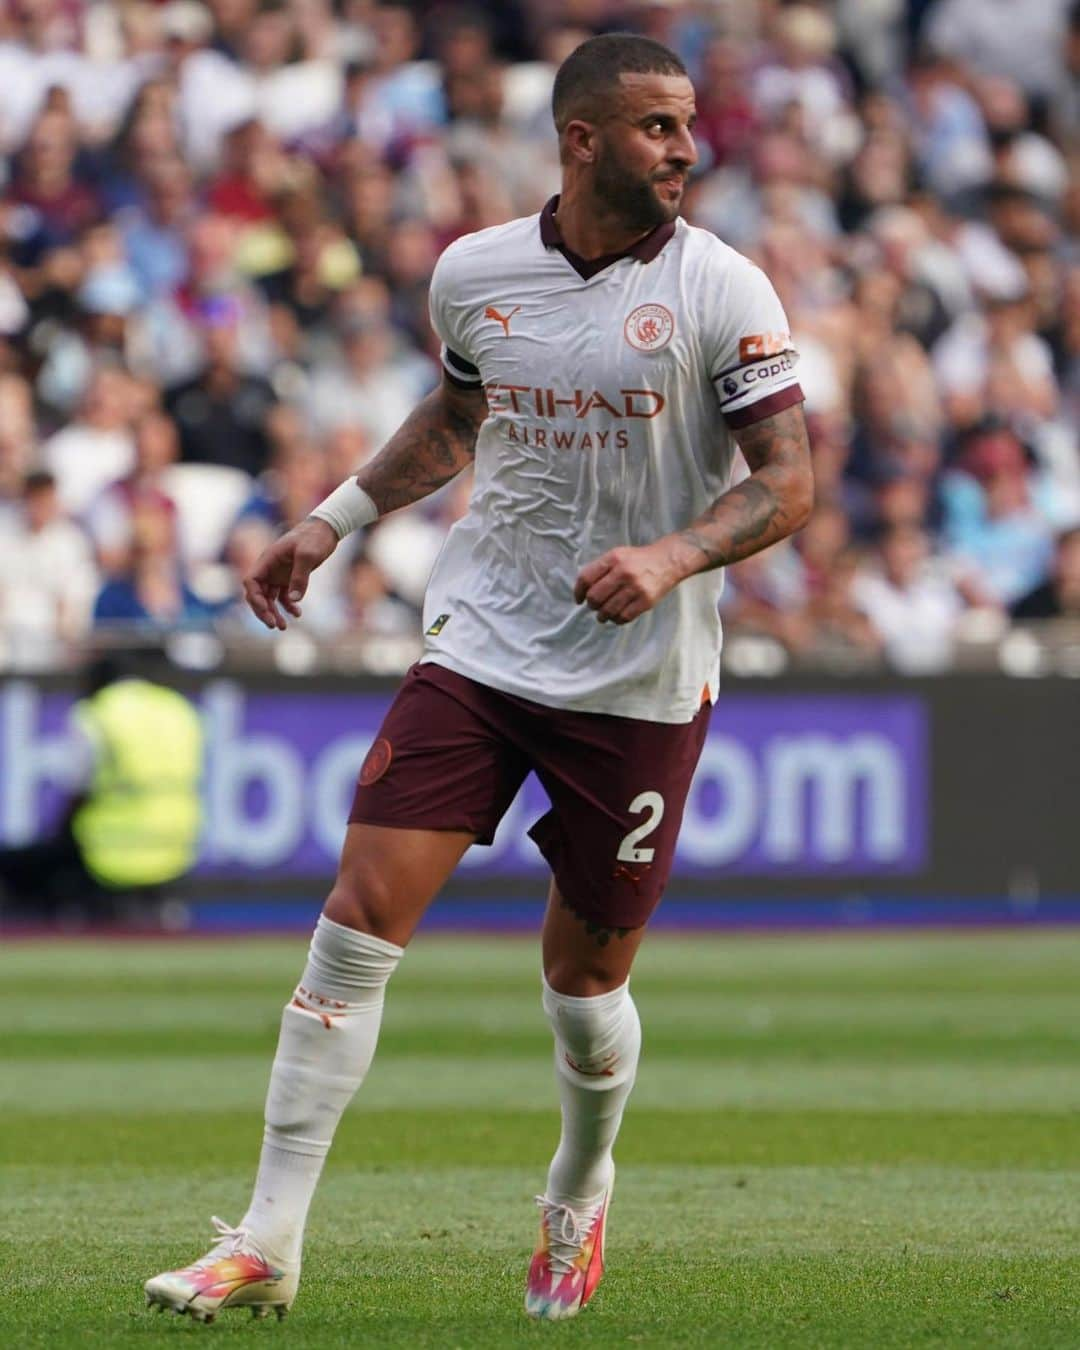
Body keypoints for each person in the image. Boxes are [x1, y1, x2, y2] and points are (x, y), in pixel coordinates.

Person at [145, 34, 813, 1326]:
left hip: (637, 676)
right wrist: (331, 518)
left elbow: (789, 479)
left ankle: (578, 1181)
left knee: (583, 981)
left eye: (686, 125)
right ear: (580, 139)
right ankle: (268, 1237)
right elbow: (457, 420)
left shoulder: (727, 287)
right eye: (657, 127)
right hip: (484, 641)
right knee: (355, 921)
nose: (686, 148)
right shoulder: (474, 270)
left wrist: (672, 555)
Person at [0, 651, 203, 921]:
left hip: (110, 851)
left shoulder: (98, 713)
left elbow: (80, 785)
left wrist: (60, 830)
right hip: (178, 846)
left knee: (24, 865)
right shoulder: (178, 708)